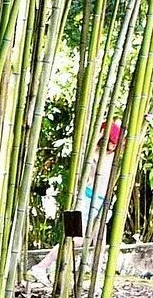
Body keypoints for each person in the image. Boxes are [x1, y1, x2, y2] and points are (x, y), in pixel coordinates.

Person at [29, 119, 122, 287]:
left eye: (115, 143)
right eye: (111, 141)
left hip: (101, 204)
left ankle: (96, 280)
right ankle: (40, 268)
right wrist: (99, 134)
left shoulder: (112, 157)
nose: (114, 145)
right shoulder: (92, 156)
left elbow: (130, 141)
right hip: (81, 201)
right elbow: (86, 161)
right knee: (73, 239)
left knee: (99, 242)